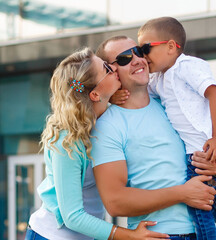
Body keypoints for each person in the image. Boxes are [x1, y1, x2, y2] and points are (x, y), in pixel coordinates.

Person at [92, 36, 216, 240]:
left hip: (207, 232)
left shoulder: (171, 103)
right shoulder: (106, 126)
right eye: (124, 58)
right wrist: (183, 193)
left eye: (139, 51)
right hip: (163, 236)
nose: (137, 59)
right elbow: (114, 202)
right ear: (111, 70)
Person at [25, 47, 169, 240]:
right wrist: (130, 236)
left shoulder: (105, 122)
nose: (115, 68)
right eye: (107, 69)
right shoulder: (67, 139)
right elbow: (72, 216)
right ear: (94, 95)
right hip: (51, 235)